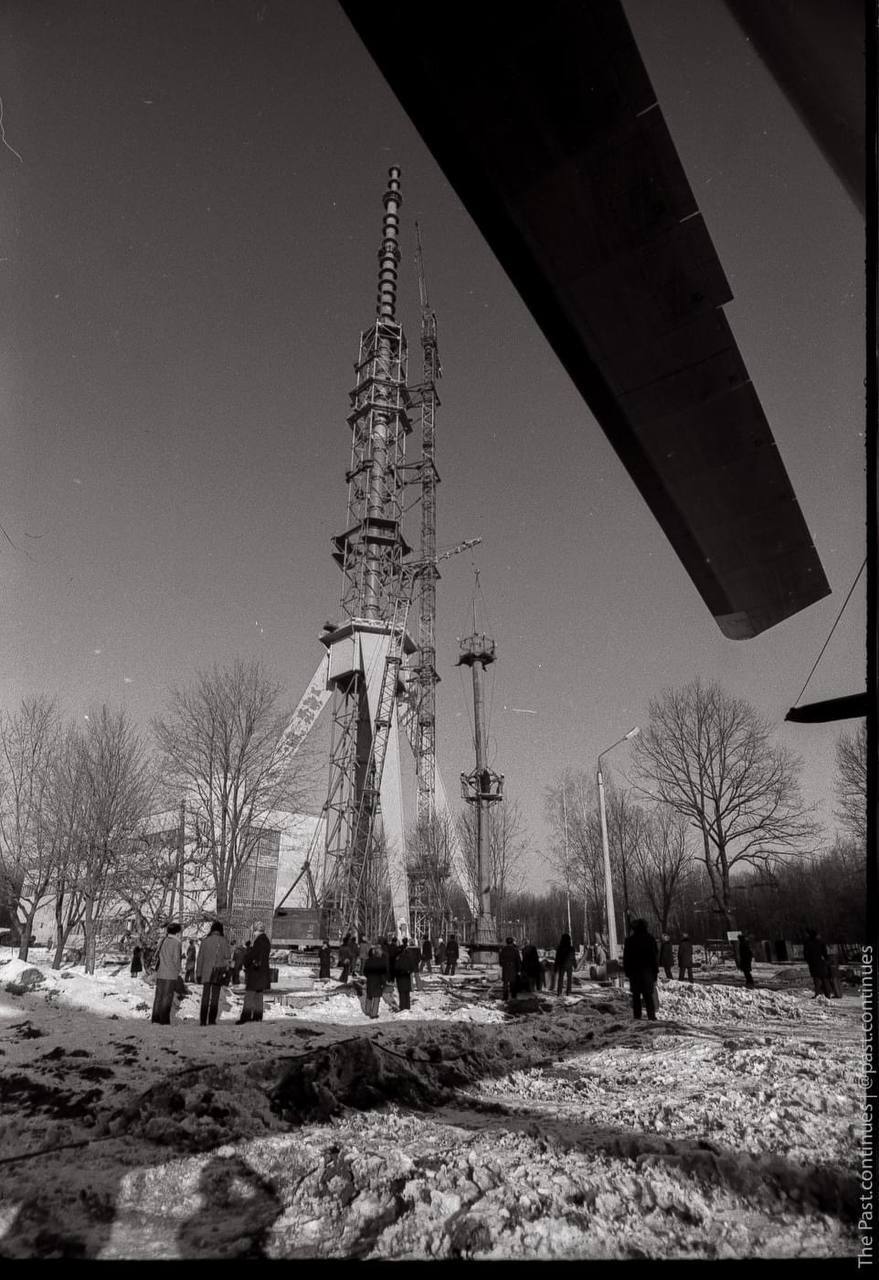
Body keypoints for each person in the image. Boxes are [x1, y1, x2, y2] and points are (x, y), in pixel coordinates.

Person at [196, 921, 233, 1026]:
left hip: (206, 972)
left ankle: (203, 1021)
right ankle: (212, 1020)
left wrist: (198, 974)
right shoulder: (224, 941)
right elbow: (227, 956)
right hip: (217, 972)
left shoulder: (205, 941)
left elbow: (200, 959)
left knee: (205, 996)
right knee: (215, 997)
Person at [623, 918, 659, 1022]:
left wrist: (628, 972)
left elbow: (626, 958)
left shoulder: (629, 940)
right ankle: (651, 1016)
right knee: (648, 996)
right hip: (647, 972)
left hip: (634, 973)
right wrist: (655, 973)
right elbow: (654, 957)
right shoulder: (650, 939)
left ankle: (637, 1016)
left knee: (636, 996)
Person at [238, 922, 271, 1024]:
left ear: (256, 930)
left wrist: (246, 957)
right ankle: (257, 1017)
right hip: (262, 973)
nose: (254, 933)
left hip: (255, 973)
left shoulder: (259, 941)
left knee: (249, 995)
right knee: (258, 996)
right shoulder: (266, 941)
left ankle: (245, 1017)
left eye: (254, 931)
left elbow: (252, 955)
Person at [151, 922, 182, 1025]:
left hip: (161, 972)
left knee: (158, 996)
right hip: (170, 973)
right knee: (167, 997)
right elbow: (176, 960)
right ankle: (164, 1020)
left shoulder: (163, 940)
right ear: (177, 932)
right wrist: (178, 970)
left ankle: (155, 1018)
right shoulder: (176, 943)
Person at [803, 928, 832, 997]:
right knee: (824, 978)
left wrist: (808, 960)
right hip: (821, 962)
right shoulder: (820, 942)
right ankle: (827, 994)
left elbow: (806, 953)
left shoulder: (808, 943)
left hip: (813, 963)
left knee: (816, 979)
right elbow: (825, 953)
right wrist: (827, 960)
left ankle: (818, 994)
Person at [363, 945, 389, 1018]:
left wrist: (369, 976)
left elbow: (365, 972)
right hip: (378, 981)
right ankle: (374, 1014)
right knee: (376, 998)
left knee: (369, 996)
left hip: (370, 980)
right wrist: (384, 983)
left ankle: (367, 1010)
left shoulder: (368, 960)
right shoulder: (381, 962)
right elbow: (383, 974)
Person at [394, 936, 416, 1011]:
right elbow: (412, 966)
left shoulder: (398, 957)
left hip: (400, 976)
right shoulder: (409, 956)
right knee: (407, 992)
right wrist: (409, 971)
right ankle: (407, 1006)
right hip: (407, 975)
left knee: (401, 992)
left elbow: (396, 967)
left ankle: (402, 1007)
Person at [498, 936, 521, 1001]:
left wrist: (503, 965)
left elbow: (500, 960)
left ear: (506, 942)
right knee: (513, 983)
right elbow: (518, 960)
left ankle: (505, 997)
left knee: (505, 983)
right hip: (513, 968)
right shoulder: (515, 950)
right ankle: (513, 996)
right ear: (512, 942)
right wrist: (519, 970)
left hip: (505, 968)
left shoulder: (503, 950)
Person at [554, 932, 575, 997]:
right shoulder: (571, 948)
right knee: (569, 979)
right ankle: (568, 992)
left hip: (562, 965)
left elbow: (557, 958)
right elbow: (573, 958)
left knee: (560, 979)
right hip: (569, 965)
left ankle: (559, 992)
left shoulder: (559, 948)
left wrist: (555, 967)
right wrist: (575, 965)